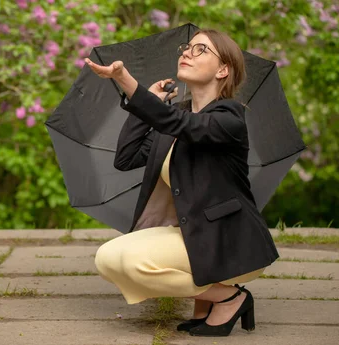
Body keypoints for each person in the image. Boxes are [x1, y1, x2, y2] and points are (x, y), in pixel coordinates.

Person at [84, 29, 279, 337]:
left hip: (229, 243)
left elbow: (186, 126)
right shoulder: (176, 116)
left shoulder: (229, 117)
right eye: (187, 47)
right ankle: (214, 300)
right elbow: (126, 157)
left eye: (201, 50)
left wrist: (127, 81)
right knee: (107, 259)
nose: (187, 53)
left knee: (131, 262)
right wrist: (150, 108)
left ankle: (229, 297)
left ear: (223, 69)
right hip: (193, 235)